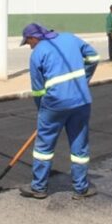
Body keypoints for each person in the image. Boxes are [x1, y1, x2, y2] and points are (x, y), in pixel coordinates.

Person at [18, 23, 99, 200]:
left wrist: (43, 113)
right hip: (81, 101)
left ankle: (39, 188)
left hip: (55, 104)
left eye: (28, 42)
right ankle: (81, 189)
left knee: (44, 147)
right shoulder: (70, 38)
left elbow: (38, 90)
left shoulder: (37, 54)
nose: (29, 46)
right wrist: (83, 81)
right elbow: (94, 57)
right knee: (80, 144)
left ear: (34, 38)